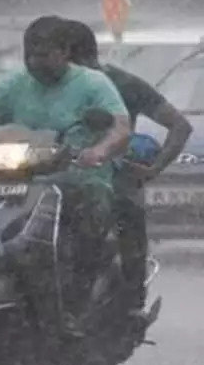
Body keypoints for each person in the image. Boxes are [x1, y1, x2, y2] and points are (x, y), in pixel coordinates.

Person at [0, 16, 132, 291]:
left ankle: (79, 292)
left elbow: (120, 127)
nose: (34, 63)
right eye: (29, 56)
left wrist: (98, 151)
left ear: (64, 53)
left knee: (83, 230)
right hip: (20, 182)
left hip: (80, 180)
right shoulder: (14, 84)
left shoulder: (93, 83)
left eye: (43, 56)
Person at [58, 19, 193, 316]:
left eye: (53, 56)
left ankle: (133, 302)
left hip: (110, 178)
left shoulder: (122, 84)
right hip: (53, 178)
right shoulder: (37, 89)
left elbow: (180, 126)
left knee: (127, 216)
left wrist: (152, 169)